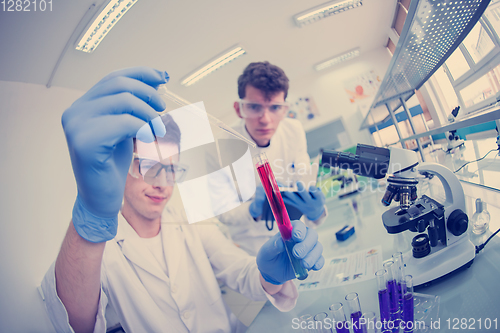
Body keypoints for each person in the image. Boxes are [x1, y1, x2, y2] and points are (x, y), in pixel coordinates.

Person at [40, 67, 324, 333]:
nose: (162, 182)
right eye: (149, 166)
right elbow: (73, 323)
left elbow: (237, 268)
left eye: (172, 168)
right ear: (119, 164)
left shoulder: (187, 216)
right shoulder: (99, 246)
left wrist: (270, 275)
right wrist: (90, 216)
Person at [207, 61, 328, 255]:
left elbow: (303, 180)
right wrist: (253, 210)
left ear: (285, 109)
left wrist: (317, 212)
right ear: (239, 109)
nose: (265, 118)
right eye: (254, 107)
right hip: (253, 248)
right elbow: (222, 211)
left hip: (298, 235)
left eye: (274, 108)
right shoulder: (218, 149)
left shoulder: (293, 130)